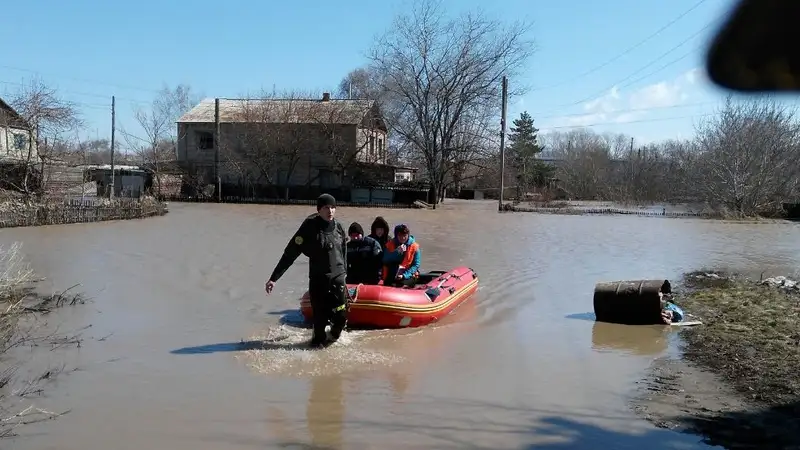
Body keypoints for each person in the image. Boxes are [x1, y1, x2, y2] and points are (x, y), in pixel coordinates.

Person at [265, 193, 348, 349]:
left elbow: (344, 252)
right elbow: (290, 254)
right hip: (319, 281)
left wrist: (345, 274)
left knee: (341, 317)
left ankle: (333, 337)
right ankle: (317, 346)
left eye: (333, 207)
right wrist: (274, 278)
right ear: (319, 210)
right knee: (319, 329)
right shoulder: (309, 229)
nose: (330, 211)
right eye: (326, 208)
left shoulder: (339, 228)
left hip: (338, 280)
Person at [382, 223, 421, 288]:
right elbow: (385, 260)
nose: (403, 238)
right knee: (389, 281)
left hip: (408, 274)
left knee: (401, 284)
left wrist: (404, 275)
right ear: (396, 236)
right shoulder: (390, 245)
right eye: (400, 235)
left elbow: (416, 265)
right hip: (393, 273)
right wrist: (396, 252)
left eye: (405, 235)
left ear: (408, 235)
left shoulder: (414, 246)